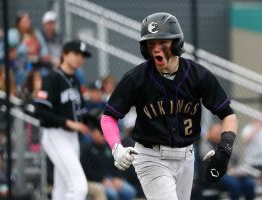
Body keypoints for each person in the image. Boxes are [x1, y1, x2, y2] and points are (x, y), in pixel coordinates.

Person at [100, 12, 238, 200]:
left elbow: (228, 116)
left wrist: (225, 148)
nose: (156, 48)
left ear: (176, 43)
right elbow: (109, 116)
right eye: (151, 43)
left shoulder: (198, 75)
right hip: (151, 157)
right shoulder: (136, 78)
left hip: (186, 157)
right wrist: (117, 147)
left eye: (162, 42)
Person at [34, 40, 92, 200]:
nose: (80, 58)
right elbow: (40, 110)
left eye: (82, 56)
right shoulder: (52, 78)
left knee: (62, 189)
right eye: (76, 54)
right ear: (64, 55)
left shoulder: (75, 81)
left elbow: (81, 112)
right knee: (79, 188)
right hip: (56, 135)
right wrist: (68, 123)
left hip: (72, 138)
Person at [200, 123, 255, 200]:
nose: (219, 134)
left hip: (233, 173)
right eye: (216, 132)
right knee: (234, 184)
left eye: (220, 132)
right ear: (209, 133)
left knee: (249, 183)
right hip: (216, 174)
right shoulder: (206, 145)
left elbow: (236, 157)